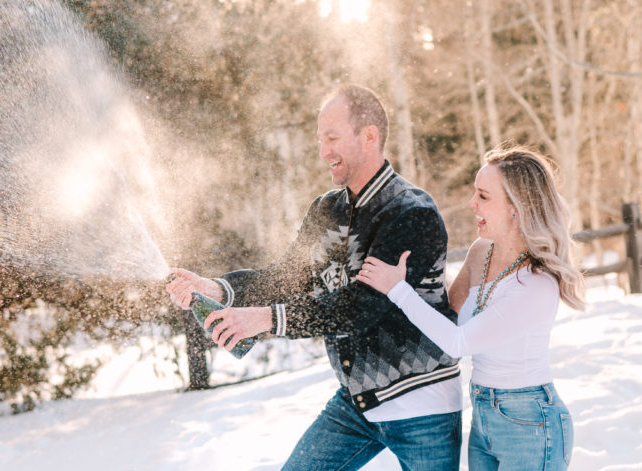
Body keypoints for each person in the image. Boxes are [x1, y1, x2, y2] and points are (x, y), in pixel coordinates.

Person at [166, 84, 462, 470]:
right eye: (321, 139)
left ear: (369, 136)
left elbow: (360, 308)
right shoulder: (326, 210)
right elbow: (285, 279)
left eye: (333, 138)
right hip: (356, 406)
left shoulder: (410, 212)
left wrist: (267, 319)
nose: (324, 152)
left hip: (421, 404)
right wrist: (217, 288)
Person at [356, 144, 584, 470]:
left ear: (515, 208)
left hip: (530, 422)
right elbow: (448, 312)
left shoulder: (536, 284)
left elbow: (458, 342)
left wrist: (398, 290)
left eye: (483, 196)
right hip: (483, 414)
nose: (471, 203)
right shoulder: (482, 252)